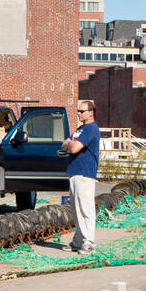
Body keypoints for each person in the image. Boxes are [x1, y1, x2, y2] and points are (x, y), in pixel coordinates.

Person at [61, 100, 100, 252]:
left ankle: (89, 242)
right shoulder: (80, 129)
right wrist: (69, 144)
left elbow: (74, 148)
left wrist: (70, 144)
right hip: (74, 172)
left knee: (85, 209)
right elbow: (63, 145)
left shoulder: (91, 129)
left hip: (85, 173)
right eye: (78, 111)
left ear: (91, 113)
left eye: (82, 111)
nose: (79, 114)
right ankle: (78, 241)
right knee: (76, 210)